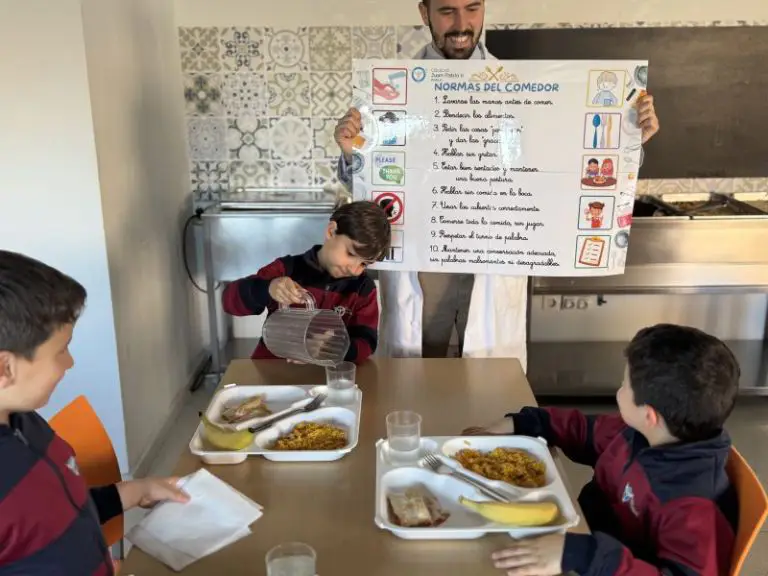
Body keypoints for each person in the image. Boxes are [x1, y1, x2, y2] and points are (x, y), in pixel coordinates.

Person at [334, 0, 661, 363]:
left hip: (496, 255)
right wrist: (352, 156)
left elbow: (564, 169)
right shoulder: (388, 92)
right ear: (425, 13)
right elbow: (372, 188)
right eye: (447, 11)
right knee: (416, 375)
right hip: (424, 262)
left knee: (488, 383)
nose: (462, 23)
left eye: (472, 8)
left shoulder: (524, 89)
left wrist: (628, 142)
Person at [463, 323, 740, 576]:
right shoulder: (642, 433)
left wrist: (582, 555)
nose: (618, 391)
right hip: (581, 542)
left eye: (624, 385)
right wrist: (526, 422)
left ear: (649, 415)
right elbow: (584, 430)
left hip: (595, 562)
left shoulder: (695, 508)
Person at [0, 250, 189, 574]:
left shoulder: (24, 421)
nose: (70, 362)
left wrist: (135, 491)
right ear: (5, 368)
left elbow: (55, 513)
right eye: (61, 350)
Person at [222, 201, 391, 364]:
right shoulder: (286, 270)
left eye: (364, 263)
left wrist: (336, 347)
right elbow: (229, 302)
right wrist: (267, 289)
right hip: (272, 370)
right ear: (331, 231)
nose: (353, 269)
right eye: (351, 254)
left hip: (325, 376)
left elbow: (367, 342)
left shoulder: (362, 289)